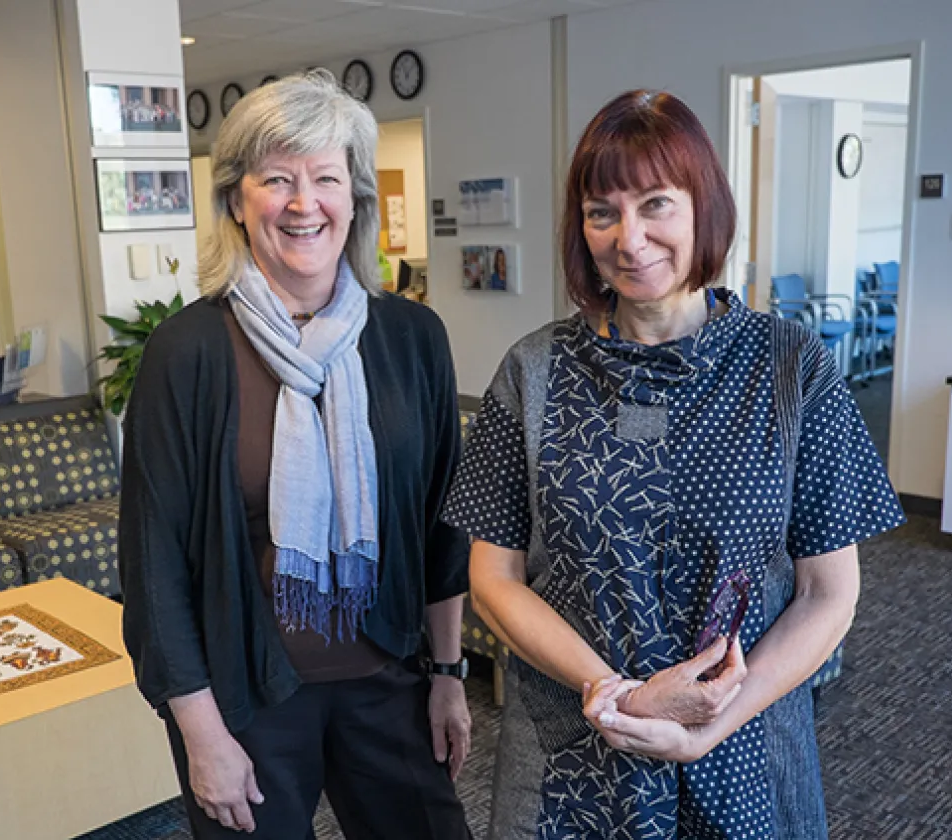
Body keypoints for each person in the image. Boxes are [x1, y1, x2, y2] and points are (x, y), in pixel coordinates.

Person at [441, 89, 905, 839]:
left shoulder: (790, 368)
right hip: (576, 748)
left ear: (704, 209)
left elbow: (830, 595)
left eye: (656, 203)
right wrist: (611, 690)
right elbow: (493, 580)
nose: (630, 238)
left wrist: (707, 726)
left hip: (745, 745)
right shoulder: (532, 372)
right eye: (602, 212)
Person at [120, 70, 473, 840]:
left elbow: (445, 531)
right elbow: (154, 569)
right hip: (244, 701)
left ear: (356, 198)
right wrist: (201, 736)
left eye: (325, 178)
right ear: (237, 202)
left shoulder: (413, 339)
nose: (303, 202)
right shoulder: (187, 353)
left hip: (390, 680)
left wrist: (448, 677)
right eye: (276, 179)